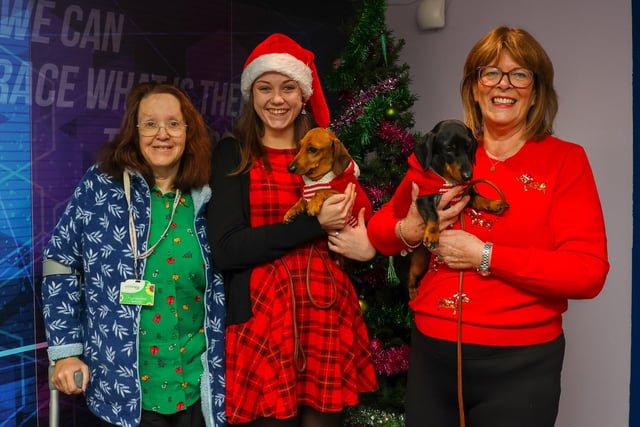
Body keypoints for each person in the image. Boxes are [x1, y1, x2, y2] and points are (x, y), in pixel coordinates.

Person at [367, 26, 609, 427]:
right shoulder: (446, 148)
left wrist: (485, 255)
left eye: (520, 74)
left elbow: (588, 273)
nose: (504, 85)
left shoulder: (565, 161)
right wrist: (408, 229)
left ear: (537, 90)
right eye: (490, 73)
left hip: (521, 364)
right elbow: (379, 232)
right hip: (433, 353)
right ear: (474, 88)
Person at [207, 33, 377, 426]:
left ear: (303, 95)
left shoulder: (327, 148)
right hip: (264, 320)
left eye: (288, 88)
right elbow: (229, 249)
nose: (277, 99)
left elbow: (359, 223)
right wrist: (313, 223)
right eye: (265, 88)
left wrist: (367, 244)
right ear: (252, 95)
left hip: (326, 317)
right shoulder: (233, 154)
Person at [41, 82, 226, 427]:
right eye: (150, 123)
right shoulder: (101, 185)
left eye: (173, 123)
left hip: (196, 387)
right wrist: (66, 351)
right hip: (121, 390)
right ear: (134, 130)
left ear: (189, 132)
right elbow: (59, 263)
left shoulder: (206, 193)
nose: (162, 134)